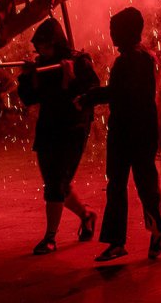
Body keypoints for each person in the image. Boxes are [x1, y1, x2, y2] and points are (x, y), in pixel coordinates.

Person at [84, 7, 161, 262]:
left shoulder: (135, 59)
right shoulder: (136, 58)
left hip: (137, 131)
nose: (111, 35)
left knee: (144, 184)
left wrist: (90, 95)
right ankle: (116, 241)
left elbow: (120, 93)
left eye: (115, 31)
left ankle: (158, 228)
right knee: (117, 185)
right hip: (123, 130)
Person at [16, 18, 100, 255]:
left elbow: (90, 93)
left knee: (56, 183)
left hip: (73, 128)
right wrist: (28, 77)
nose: (42, 51)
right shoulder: (42, 65)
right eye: (40, 47)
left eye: (46, 46)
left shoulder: (80, 61)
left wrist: (71, 77)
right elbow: (30, 99)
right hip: (48, 126)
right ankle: (86, 215)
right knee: (56, 182)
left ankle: (50, 237)